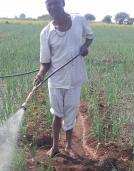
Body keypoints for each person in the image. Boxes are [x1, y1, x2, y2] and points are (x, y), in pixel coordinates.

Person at [34, 0, 93, 158]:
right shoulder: (46, 32)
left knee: (71, 112)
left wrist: (85, 47)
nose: (52, 7)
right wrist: (41, 74)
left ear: (63, 3)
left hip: (75, 78)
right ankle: (55, 146)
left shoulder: (78, 20)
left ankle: (68, 144)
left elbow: (89, 37)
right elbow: (45, 62)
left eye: (55, 3)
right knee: (57, 114)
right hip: (56, 80)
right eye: (49, 4)